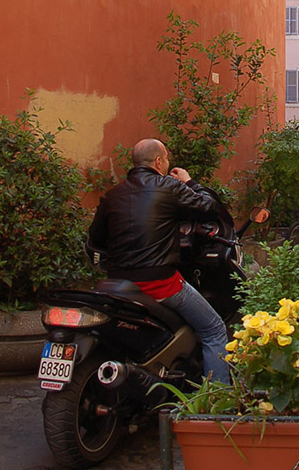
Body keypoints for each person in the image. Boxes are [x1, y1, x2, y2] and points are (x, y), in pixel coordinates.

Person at [87, 138, 231, 383]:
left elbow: (96, 238)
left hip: (118, 284)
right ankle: (218, 404)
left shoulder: (113, 194)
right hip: (159, 283)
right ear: (158, 161)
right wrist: (188, 181)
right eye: (166, 160)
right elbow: (210, 208)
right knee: (214, 330)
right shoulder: (169, 187)